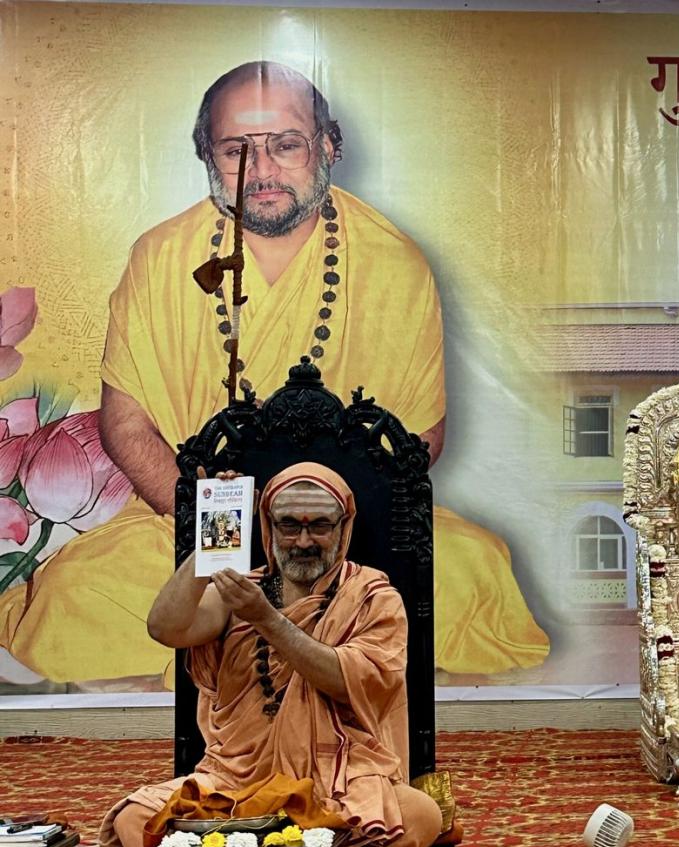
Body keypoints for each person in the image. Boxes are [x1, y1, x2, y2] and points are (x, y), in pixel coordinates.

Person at [0, 61, 550, 685]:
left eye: (286, 144)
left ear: (328, 145)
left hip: (346, 530)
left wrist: (322, 533)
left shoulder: (396, 264)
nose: (260, 171)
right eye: (236, 150)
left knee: (472, 570)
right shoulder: (160, 257)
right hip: (205, 526)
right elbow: (126, 426)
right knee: (76, 593)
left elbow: (420, 438)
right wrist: (225, 537)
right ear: (207, 155)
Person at [91, 463, 586, 847]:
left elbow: (348, 678)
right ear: (268, 528)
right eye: (289, 525)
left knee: (420, 815)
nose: (304, 541)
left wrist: (267, 619)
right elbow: (166, 627)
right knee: (137, 813)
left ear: (343, 528)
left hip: (336, 780)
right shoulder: (239, 592)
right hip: (236, 780)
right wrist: (215, 535)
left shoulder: (372, 597)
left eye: (319, 526)